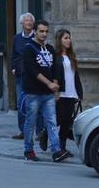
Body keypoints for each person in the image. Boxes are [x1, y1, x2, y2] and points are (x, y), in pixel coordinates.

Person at [20, 19, 69, 163]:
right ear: (35, 31)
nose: (44, 34)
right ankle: (28, 150)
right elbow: (32, 70)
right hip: (33, 92)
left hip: (48, 94)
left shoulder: (50, 49)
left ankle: (56, 151)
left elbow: (56, 68)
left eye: (46, 31)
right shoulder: (29, 48)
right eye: (41, 31)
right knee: (31, 122)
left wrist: (55, 85)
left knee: (52, 122)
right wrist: (49, 84)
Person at [54, 28, 83, 156]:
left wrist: (79, 93)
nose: (68, 40)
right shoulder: (56, 56)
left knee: (66, 122)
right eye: (65, 38)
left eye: (69, 38)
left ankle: (62, 147)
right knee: (58, 120)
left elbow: (75, 76)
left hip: (72, 93)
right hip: (61, 93)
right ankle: (45, 134)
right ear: (59, 40)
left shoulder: (71, 56)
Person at [12, 12, 40, 140]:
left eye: (30, 20)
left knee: (38, 103)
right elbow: (14, 55)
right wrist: (13, 67)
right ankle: (22, 131)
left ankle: (40, 132)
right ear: (21, 23)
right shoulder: (17, 38)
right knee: (21, 103)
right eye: (26, 20)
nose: (28, 22)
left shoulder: (37, 38)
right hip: (20, 75)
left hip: (35, 75)